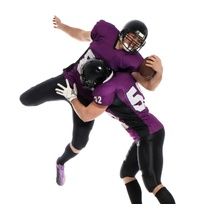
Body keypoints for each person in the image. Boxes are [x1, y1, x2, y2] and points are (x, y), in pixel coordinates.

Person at [55, 58, 192, 204]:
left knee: (153, 183)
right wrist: (159, 72)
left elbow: (86, 115)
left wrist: (72, 98)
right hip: (145, 132)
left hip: (148, 134)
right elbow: (148, 84)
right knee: (127, 173)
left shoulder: (104, 90)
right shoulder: (122, 75)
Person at [20, 16, 162, 186]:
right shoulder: (106, 31)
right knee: (26, 99)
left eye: (137, 41)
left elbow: (149, 85)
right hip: (69, 80)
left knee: (79, 144)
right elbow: (81, 35)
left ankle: (61, 162)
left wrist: (159, 72)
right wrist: (63, 26)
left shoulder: (133, 61)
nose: (132, 42)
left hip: (88, 98)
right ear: (123, 32)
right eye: (131, 36)